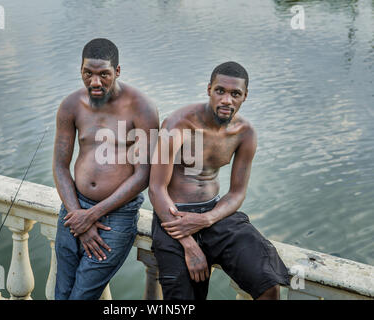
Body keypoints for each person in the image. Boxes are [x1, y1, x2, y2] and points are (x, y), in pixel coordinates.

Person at [149, 61, 290, 300]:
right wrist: (189, 244)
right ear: (209, 90)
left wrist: (206, 219)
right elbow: (156, 189)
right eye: (220, 91)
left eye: (235, 93)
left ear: (245, 96)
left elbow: (237, 193)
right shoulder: (178, 124)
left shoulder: (245, 133)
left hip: (216, 215)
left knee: (269, 285)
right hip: (173, 217)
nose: (227, 100)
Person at [53, 38, 159, 300]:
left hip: (116, 215)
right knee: (61, 292)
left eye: (104, 74)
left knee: (81, 296)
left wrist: (92, 216)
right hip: (73, 208)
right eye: (88, 73)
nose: (95, 82)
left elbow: (144, 173)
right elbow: (59, 166)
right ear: (80, 69)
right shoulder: (71, 105)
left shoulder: (142, 107)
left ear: (118, 71)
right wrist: (78, 214)